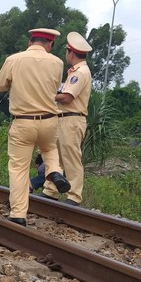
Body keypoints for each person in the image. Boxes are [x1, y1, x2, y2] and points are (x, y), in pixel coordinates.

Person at [0, 28, 71, 227]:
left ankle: (18, 214)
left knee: (19, 168)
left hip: (23, 121)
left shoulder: (14, 59)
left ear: (30, 42)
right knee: (49, 149)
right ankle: (53, 171)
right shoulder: (58, 63)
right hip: (49, 120)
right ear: (50, 44)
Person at [41, 32, 93, 206]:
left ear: (70, 52)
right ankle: (51, 190)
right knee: (56, 156)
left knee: (71, 157)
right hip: (64, 118)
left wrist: (48, 95)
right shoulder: (76, 72)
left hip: (72, 119)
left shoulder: (80, 72)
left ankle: (74, 195)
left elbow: (67, 97)